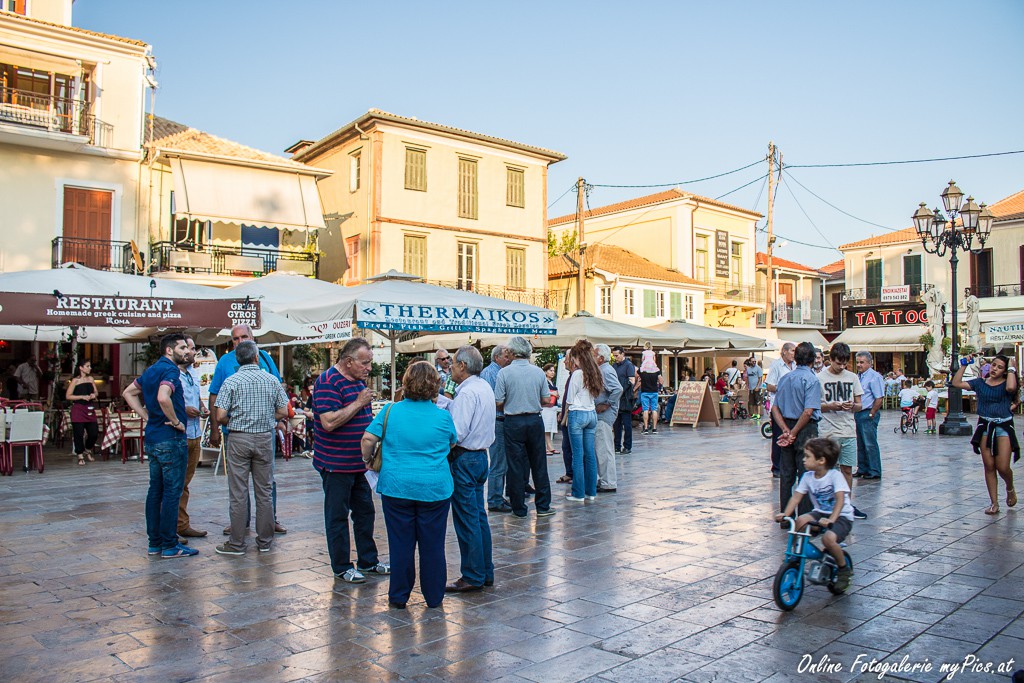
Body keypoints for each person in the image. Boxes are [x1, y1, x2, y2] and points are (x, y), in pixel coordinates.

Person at [362, 361, 456, 608]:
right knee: (433, 544)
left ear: (406, 384)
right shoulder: (443, 416)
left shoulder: (391, 411)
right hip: (434, 487)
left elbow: (368, 438)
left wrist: (367, 459)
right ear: (435, 385)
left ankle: (399, 595)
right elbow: (453, 443)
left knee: (400, 543)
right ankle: (434, 596)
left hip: (397, 485)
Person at [313, 338, 390, 583]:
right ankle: (341, 566)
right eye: (364, 363)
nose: (369, 368)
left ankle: (368, 560)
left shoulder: (358, 383)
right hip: (335, 463)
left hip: (359, 464)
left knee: (365, 513)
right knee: (337, 516)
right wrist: (358, 403)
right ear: (348, 361)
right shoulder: (327, 382)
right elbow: (329, 421)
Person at [122, 333, 197, 559]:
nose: (186, 351)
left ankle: (154, 542)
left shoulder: (152, 370)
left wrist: (146, 416)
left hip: (153, 437)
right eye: (183, 347)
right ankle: (169, 544)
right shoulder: (171, 370)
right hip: (170, 438)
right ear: (169, 350)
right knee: (172, 492)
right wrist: (176, 422)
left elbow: (128, 392)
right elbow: (164, 397)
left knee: (155, 490)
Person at [209, 324, 287, 535]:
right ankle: (241, 523)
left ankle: (271, 520)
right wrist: (215, 430)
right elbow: (214, 395)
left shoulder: (265, 357)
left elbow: (279, 387)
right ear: (231, 342)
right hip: (234, 434)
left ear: (253, 338)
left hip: (262, 432)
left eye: (244, 337)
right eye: (235, 338)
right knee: (239, 484)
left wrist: (272, 419)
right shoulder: (225, 362)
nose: (240, 341)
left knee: (265, 482)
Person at [442, 346, 495, 593]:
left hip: (465, 458)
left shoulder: (466, 393)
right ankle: (485, 571)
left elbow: (457, 433)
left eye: (452, 364)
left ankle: (472, 574)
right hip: (481, 456)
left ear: (462, 366)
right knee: (478, 516)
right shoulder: (482, 387)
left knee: (467, 519)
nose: (450, 368)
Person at [774, 438, 854, 592]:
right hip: (820, 512)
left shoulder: (834, 476)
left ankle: (843, 569)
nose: (803, 460)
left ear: (821, 460)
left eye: (807, 456)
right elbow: (797, 496)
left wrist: (831, 520)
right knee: (800, 521)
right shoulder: (808, 477)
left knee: (828, 539)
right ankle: (795, 552)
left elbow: (840, 500)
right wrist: (786, 513)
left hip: (841, 515)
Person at [494, 336, 555, 518]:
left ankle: (519, 507)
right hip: (535, 420)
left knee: (515, 464)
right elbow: (546, 399)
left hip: (513, 421)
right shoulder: (538, 372)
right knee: (539, 463)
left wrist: (512, 402)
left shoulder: (504, 373)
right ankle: (543, 506)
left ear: (512, 353)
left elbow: (498, 402)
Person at [952, 353, 1019, 516]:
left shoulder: (1008, 383)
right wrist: (963, 364)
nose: (995, 368)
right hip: (985, 425)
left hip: (1003, 425)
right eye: (994, 365)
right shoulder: (980, 383)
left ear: (1005, 371)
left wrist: (1011, 368)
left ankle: (1010, 487)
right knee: (989, 466)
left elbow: (1011, 388)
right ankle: (994, 503)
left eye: (999, 367)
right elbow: (956, 383)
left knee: (1002, 466)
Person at [771, 342, 822, 517]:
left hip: (787, 425)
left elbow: (775, 408)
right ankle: (805, 516)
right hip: (805, 428)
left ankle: (786, 515)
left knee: (786, 474)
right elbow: (808, 411)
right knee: (806, 473)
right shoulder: (812, 380)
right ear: (813, 360)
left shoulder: (785, 378)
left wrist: (786, 430)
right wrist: (793, 433)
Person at [817, 342, 867, 520]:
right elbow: (815, 406)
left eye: (844, 363)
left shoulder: (852, 377)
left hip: (848, 429)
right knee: (831, 470)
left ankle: (846, 504)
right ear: (830, 359)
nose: (841, 367)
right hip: (828, 431)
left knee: (847, 469)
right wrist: (831, 406)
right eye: (838, 363)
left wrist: (852, 406)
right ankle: (830, 504)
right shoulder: (820, 378)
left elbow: (860, 404)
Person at [177, 336, 209, 542]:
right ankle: (171, 527)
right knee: (174, 483)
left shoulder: (193, 373)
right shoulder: (172, 374)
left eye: (193, 348)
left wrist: (202, 407)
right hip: (179, 433)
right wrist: (183, 409)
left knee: (185, 482)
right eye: (187, 348)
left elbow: (195, 396)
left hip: (194, 432)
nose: (191, 352)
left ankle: (182, 524)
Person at [564, 340, 602, 502]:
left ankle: (578, 493)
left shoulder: (577, 374)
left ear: (578, 357)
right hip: (591, 413)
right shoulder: (594, 372)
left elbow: (570, 399)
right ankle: (591, 492)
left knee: (577, 456)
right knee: (590, 455)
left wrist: (564, 415)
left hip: (578, 414)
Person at [481, 344, 512, 513]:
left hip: (501, 420)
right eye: (506, 356)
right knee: (498, 462)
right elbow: (492, 401)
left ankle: (498, 496)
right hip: (497, 420)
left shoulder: (497, 372)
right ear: (496, 357)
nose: (509, 359)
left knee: (502, 462)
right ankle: (494, 499)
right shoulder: (491, 373)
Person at [593, 344, 622, 494]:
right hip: (602, 415)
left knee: (604, 448)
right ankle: (604, 480)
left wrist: (607, 404)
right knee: (601, 448)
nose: (592, 356)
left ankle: (608, 482)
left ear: (601, 358)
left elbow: (618, 389)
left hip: (604, 415)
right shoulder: (603, 370)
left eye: (594, 354)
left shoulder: (606, 370)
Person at [766, 343, 797, 478]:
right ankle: (777, 467)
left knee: (791, 435)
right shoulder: (776, 365)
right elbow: (769, 386)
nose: (793, 354)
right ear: (784, 351)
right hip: (778, 406)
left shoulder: (796, 366)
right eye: (791, 351)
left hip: (793, 406)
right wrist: (784, 388)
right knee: (779, 435)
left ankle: (789, 465)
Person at [854, 351, 885, 481]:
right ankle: (862, 468)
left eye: (862, 362)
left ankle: (874, 470)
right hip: (859, 412)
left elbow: (879, 398)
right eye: (857, 362)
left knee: (870, 443)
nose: (859, 365)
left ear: (869, 363)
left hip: (868, 412)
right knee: (860, 443)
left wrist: (872, 413)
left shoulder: (874, 377)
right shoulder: (858, 376)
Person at [66, 359, 98, 466]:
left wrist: (94, 395)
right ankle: (80, 454)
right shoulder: (75, 381)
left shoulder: (91, 379)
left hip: (89, 408)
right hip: (78, 408)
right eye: (87, 366)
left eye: (90, 366)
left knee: (94, 432)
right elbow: (68, 396)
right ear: (81, 367)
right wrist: (81, 397)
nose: (90, 368)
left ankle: (88, 450)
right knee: (78, 433)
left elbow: (96, 391)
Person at [611, 346, 637, 454]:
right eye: (614, 355)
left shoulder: (628, 365)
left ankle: (627, 446)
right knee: (616, 424)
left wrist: (621, 388)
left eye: (617, 355)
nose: (615, 357)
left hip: (625, 398)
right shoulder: (614, 366)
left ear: (622, 354)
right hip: (616, 399)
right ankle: (617, 446)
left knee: (627, 425)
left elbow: (632, 381)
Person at [556, 351, 575, 484]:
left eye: (566, 359)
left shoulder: (577, 375)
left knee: (572, 447)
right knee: (566, 446)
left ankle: (574, 474)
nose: (564, 362)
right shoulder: (570, 376)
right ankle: (570, 472)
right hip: (566, 416)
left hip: (572, 417)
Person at [638, 347, 662, 434]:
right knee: (654, 409)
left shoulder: (641, 370)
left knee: (645, 409)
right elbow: (661, 380)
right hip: (654, 392)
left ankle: (646, 428)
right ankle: (655, 428)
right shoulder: (656, 370)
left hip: (644, 392)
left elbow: (638, 379)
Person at [541, 363, 559, 454]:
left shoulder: (552, 382)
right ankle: (544, 447)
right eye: (550, 370)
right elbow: (542, 391)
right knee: (545, 427)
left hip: (552, 407)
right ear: (545, 371)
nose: (552, 372)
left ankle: (549, 446)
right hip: (546, 408)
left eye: (553, 371)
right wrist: (553, 393)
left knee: (548, 428)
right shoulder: (544, 381)